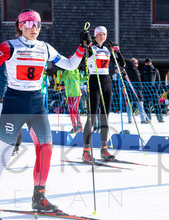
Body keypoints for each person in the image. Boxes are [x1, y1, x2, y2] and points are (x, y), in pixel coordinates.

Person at [0, 9, 87, 218]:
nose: (34, 28)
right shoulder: (8, 46)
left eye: (37, 24)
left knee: (46, 148)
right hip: (14, 103)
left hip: (36, 103)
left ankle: (39, 197)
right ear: (20, 26)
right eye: (29, 24)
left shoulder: (44, 47)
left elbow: (70, 64)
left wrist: (82, 47)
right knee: (5, 152)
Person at [82, 26, 125, 162]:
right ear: (95, 36)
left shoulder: (106, 50)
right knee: (92, 117)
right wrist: (85, 43)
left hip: (106, 82)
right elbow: (84, 56)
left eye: (104, 35)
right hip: (94, 81)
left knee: (105, 117)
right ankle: (86, 151)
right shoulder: (91, 48)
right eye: (99, 34)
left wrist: (117, 51)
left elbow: (122, 64)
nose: (102, 37)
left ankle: (104, 149)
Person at [55, 65, 85, 133]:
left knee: (75, 110)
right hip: (69, 94)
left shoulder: (76, 72)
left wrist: (71, 70)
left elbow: (79, 79)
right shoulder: (66, 72)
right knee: (71, 111)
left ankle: (79, 126)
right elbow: (59, 80)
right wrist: (59, 71)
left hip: (76, 94)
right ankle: (74, 127)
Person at [124, 57, 149, 124]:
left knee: (129, 104)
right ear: (134, 63)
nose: (137, 64)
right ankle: (143, 119)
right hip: (136, 89)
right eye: (136, 63)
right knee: (140, 104)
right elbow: (138, 80)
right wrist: (141, 88)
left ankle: (129, 119)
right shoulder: (134, 70)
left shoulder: (126, 69)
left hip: (128, 89)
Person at [141, 58, 164, 123]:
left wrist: (156, 89)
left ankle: (160, 118)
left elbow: (158, 80)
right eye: (147, 63)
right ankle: (148, 118)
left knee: (156, 104)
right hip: (146, 90)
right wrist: (144, 88)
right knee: (146, 104)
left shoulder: (155, 70)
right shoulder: (143, 71)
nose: (148, 64)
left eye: (149, 63)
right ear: (145, 63)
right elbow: (141, 80)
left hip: (154, 90)